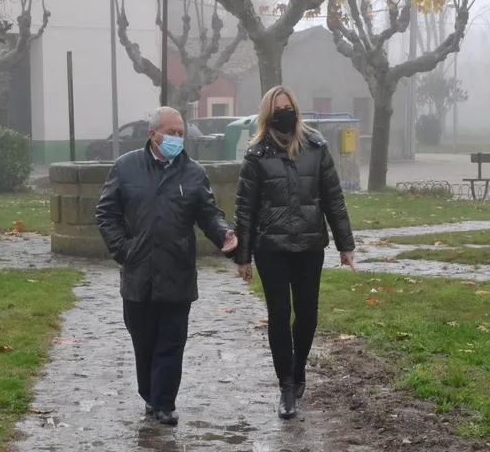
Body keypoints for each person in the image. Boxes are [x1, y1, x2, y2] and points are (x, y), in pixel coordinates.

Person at [95, 106, 238, 426]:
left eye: (180, 133)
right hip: (138, 273)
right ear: (153, 135)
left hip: (177, 271)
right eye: (171, 132)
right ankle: (150, 395)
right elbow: (106, 213)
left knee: (171, 342)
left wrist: (224, 234)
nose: (176, 138)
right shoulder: (125, 167)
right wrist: (123, 249)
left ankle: (164, 403)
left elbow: (208, 214)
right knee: (143, 341)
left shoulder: (194, 173)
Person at [232, 86, 356, 420]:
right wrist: (243, 256)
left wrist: (346, 245)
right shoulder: (257, 154)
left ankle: (299, 367)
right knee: (279, 314)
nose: (283, 113)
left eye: (288, 107)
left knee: (307, 314)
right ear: (267, 115)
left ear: (296, 110)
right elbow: (245, 207)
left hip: (309, 246)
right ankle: (285, 384)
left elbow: (333, 197)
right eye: (277, 109)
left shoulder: (316, 147)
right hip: (271, 247)